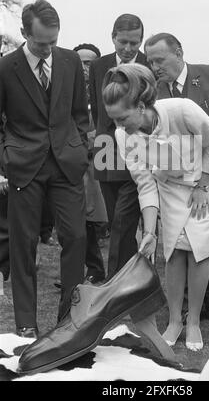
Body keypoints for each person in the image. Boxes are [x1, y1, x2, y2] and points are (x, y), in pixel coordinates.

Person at [102, 63, 209, 351]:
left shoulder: (182, 109)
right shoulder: (123, 136)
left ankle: (193, 322)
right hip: (170, 187)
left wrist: (203, 186)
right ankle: (175, 320)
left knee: (198, 250)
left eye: (122, 118)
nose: (119, 127)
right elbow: (145, 183)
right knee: (174, 249)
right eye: (113, 121)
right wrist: (149, 231)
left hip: (207, 182)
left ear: (140, 106)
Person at [144, 33, 209, 322]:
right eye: (151, 61)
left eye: (160, 59)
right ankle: (188, 301)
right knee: (184, 237)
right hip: (181, 180)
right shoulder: (155, 93)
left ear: (178, 52)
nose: (155, 66)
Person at [0, 0, 89, 337]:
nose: (49, 48)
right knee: (22, 245)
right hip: (24, 167)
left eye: (53, 40)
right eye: (41, 43)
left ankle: (68, 321)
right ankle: (26, 324)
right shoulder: (6, 68)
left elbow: (80, 113)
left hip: (67, 165)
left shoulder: (68, 61)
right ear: (24, 33)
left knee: (77, 237)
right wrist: (7, 156)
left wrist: (80, 146)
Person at [89, 14, 149, 278]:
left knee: (125, 220)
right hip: (106, 149)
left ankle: (118, 279)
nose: (128, 49)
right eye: (123, 42)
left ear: (141, 41)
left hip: (138, 149)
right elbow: (97, 106)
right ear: (112, 37)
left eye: (134, 43)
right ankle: (134, 273)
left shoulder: (149, 65)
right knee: (116, 221)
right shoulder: (98, 65)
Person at [73, 43, 108, 283]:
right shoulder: (67, 89)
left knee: (102, 220)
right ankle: (91, 268)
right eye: (80, 63)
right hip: (73, 163)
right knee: (78, 221)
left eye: (89, 63)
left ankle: (106, 270)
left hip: (101, 162)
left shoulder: (106, 90)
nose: (85, 69)